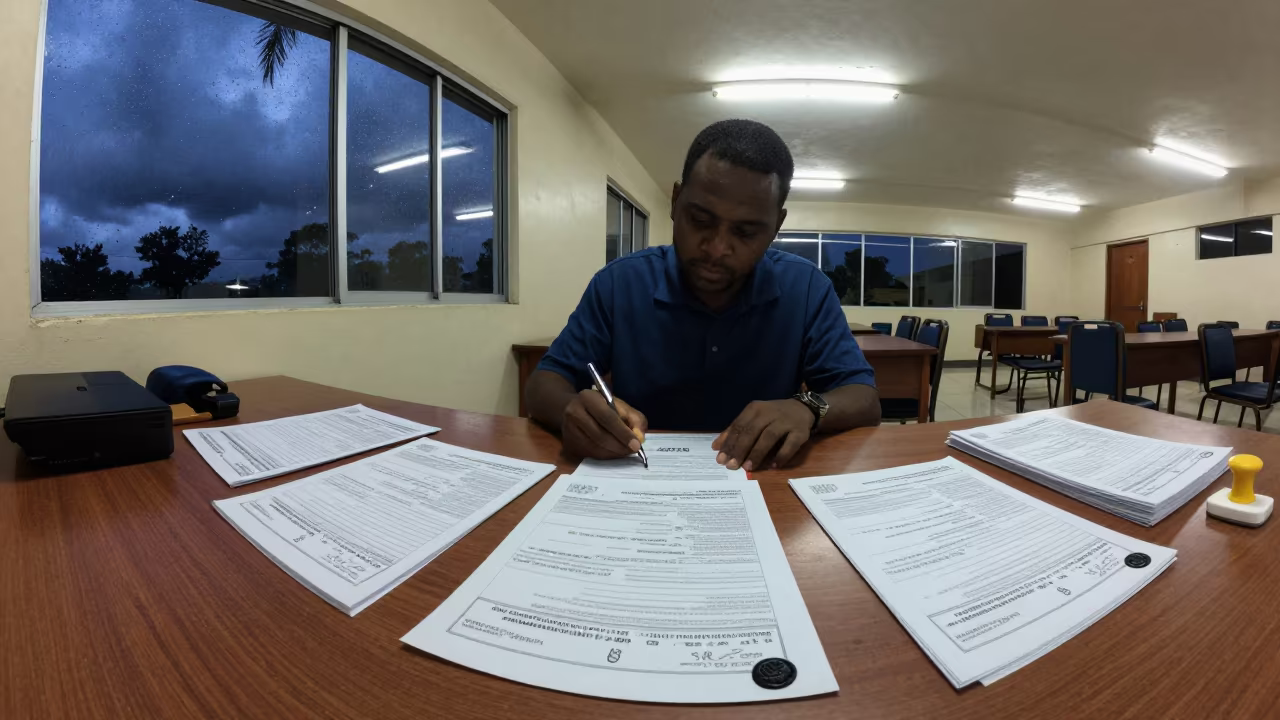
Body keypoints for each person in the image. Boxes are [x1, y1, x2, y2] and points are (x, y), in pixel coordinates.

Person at [526, 119, 880, 471]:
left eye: (745, 232)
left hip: (761, 481)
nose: (717, 249)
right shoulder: (619, 283)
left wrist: (807, 407)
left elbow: (863, 397)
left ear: (776, 226)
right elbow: (546, 381)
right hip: (636, 477)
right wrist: (570, 410)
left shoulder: (806, 289)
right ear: (676, 201)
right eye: (700, 220)